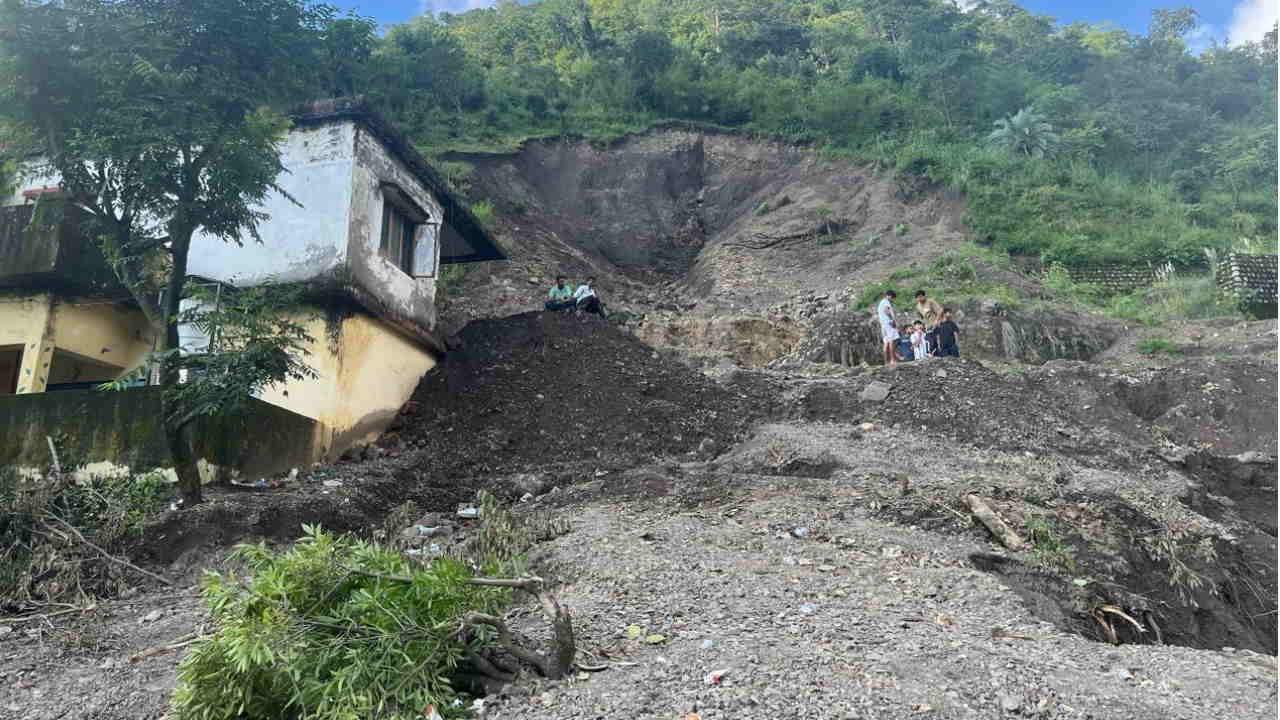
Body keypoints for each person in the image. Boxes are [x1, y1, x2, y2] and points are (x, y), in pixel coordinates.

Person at [915, 290, 944, 357]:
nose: (919, 299)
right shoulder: (918, 306)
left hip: (936, 324)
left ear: (924, 296)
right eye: (918, 298)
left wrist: (936, 320)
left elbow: (940, 310)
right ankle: (934, 355)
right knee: (930, 341)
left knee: (938, 340)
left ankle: (941, 355)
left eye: (921, 297)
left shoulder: (930, 302)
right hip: (928, 326)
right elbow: (921, 317)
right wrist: (922, 326)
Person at [876, 289, 899, 366]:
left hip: (883, 325)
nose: (893, 300)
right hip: (888, 323)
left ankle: (886, 362)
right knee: (892, 341)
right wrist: (892, 320)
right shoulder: (886, 302)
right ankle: (892, 360)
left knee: (886, 342)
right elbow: (886, 311)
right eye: (893, 298)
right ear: (889, 296)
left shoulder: (881, 303)